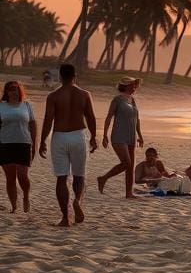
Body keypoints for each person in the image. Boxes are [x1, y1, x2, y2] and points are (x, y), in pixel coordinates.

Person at [38, 64, 97, 227]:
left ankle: (65, 217)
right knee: (79, 176)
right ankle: (77, 200)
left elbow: (48, 120)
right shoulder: (84, 94)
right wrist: (93, 137)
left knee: (61, 178)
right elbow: (91, 117)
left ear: (60, 77)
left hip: (60, 137)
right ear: (74, 76)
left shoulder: (53, 96)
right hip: (78, 135)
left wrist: (42, 141)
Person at [97, 77, 144, 199]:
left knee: (131, 166)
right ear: (126, 86)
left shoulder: (132, 100)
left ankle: (129, 193)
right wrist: (104, 135)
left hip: (131, 136)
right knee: (126, 163)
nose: (134, 87)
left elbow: (137, 119)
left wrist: (140, 135)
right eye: (132, 85)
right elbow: (109, 117)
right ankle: (103, 178)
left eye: (135, 85)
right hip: (119, 135)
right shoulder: (117, 99)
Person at [0, 80, 37, 213]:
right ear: (6, 92)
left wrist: (35, 143)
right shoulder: (1, 106)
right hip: (5, 144)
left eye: (15, 89)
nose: (13, 92)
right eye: (10, 89)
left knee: (22, 176)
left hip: (24, 143)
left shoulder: (26, 105)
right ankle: (14, 206)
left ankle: (26, 196)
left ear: (20, 91)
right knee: (10, 177)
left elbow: (32, 124)